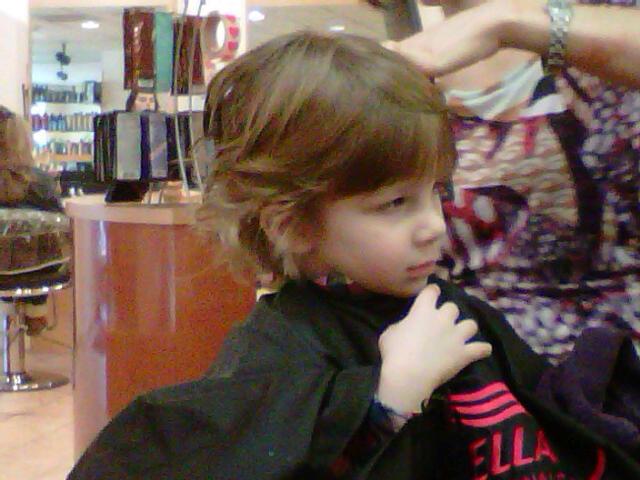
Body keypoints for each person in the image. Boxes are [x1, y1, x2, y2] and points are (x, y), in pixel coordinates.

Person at [67, 32, 640, 480]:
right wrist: (385, 399)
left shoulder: (450, 306)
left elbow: (555, 420)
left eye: (436, 192)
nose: (433, 226)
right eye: (394, 204)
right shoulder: (279, 350)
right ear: (293, 225)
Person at [374, 0, 640, 360]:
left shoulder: (606, 23)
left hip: (622, 359)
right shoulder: (406, 80)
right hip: (484, 371)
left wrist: (505, 22)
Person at [0, 105, 69, 335]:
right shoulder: (41, 183)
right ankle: (36, 311)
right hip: (39, 275)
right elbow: (60, 229)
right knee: (38, 247)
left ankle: (7, 310)